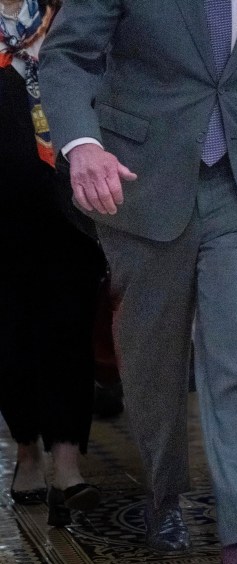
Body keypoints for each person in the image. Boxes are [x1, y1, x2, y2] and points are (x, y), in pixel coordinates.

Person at [39, 1, 237, 564]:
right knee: (152, 363)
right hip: (140, 183)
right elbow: (69, 56)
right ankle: (163, 492)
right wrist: (81, 144)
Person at [0, 0, 104, 526]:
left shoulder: (69, 15)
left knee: (69, 323)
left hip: (70, 203)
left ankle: (67, 460)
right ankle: (26, 451)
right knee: (11, 330)